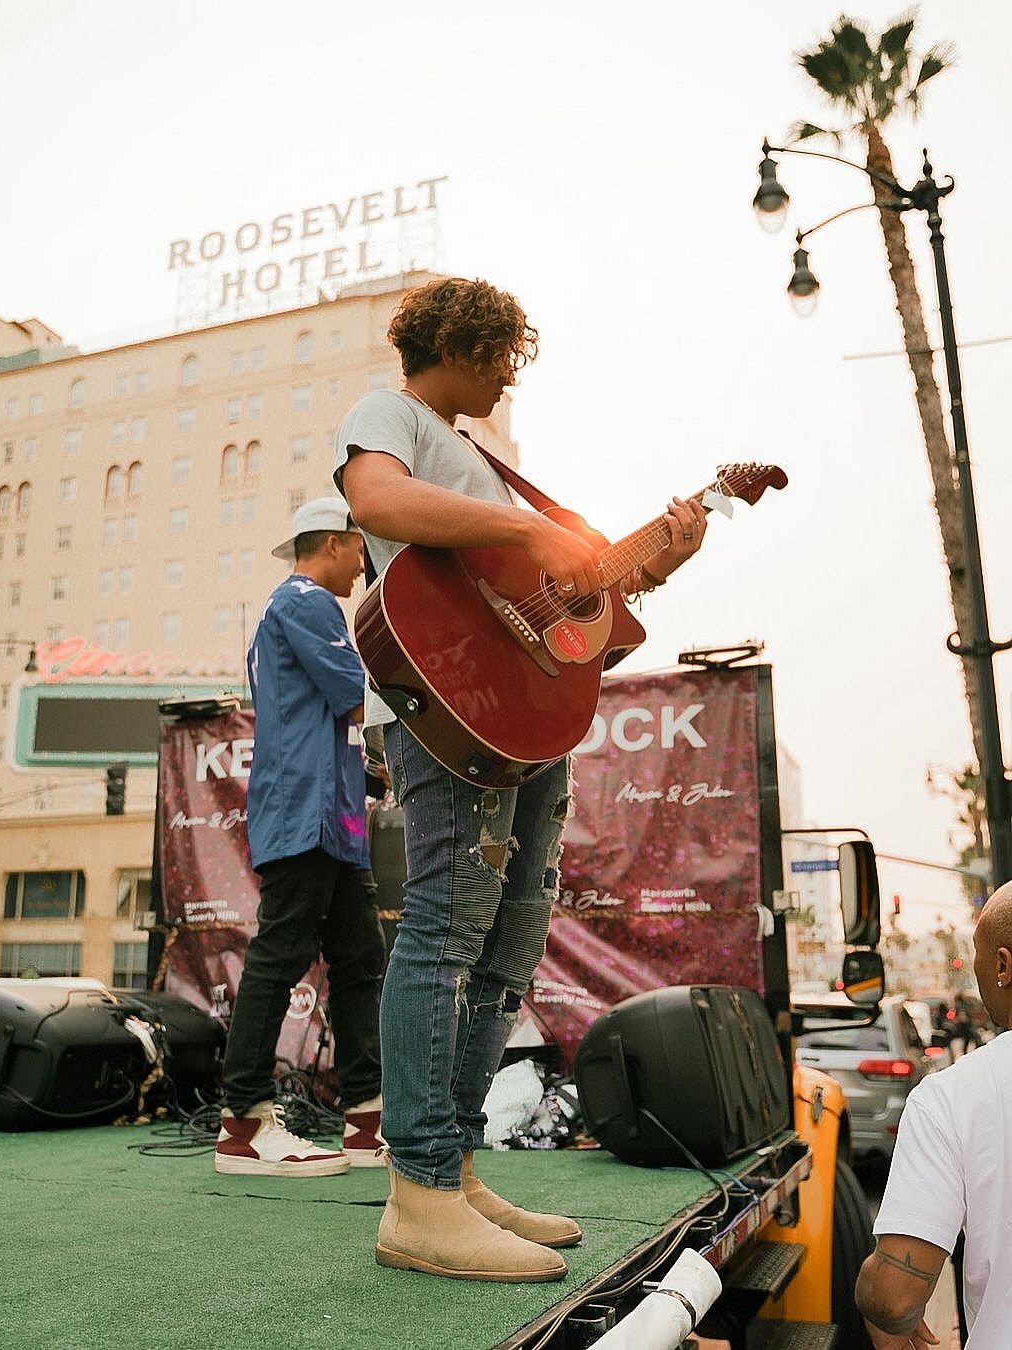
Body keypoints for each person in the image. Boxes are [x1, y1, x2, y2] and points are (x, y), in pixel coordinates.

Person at [335, 276, 708, 1281]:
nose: (510, 372)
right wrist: (528, 530)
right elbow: (372, 500)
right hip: (446, 717)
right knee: (446, 930)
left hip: (520, 724)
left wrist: (650, 565)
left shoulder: (488, 468)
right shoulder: (396, 414)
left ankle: (452, 1171)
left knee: (507, 948)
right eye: (503, 352)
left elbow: (564, 634)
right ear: (460, 340)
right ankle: (415, 1192)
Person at [214, 498, 387, 1178]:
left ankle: (366, 1122)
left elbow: (332, 718)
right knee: (282, 952)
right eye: (360, 547)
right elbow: (359, 698)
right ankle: (244, 1124)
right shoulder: (308, 601)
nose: (364, 560)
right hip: (305, 809)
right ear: (335, 544)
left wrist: (368, 773)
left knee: (358, 956)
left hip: (329, 810)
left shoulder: (292, 609)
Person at [855, 880, 1012, 1347]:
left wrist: (879, 1295)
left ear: (1002, 965)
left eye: (978, 954)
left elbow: (894, 1299)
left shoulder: (953, 1097)